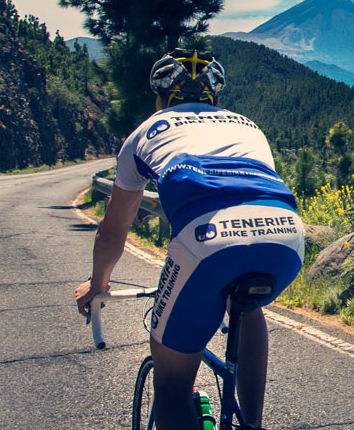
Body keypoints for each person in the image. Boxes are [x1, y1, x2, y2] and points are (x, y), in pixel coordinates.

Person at [75, 49, 304, 430]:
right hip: (287, 235)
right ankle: (253, 425)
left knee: (171, 386)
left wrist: (98, 284)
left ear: (160, 98)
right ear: (215, 99)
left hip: (207, 241)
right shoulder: (248, 125)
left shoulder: (144, 132)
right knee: (247, 306)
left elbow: (113, 230)